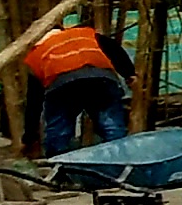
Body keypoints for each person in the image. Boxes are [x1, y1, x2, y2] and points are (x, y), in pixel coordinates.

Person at [24, 22, 134, 156]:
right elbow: (114, 49)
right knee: (111, 125)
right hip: (101, 78)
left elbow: (34, 101)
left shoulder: (37, 53)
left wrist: (29, 136)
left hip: (62, 84)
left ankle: (59, 162)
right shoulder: (84, 34)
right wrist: (129, 73)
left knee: (59, 129)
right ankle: (121, 158)